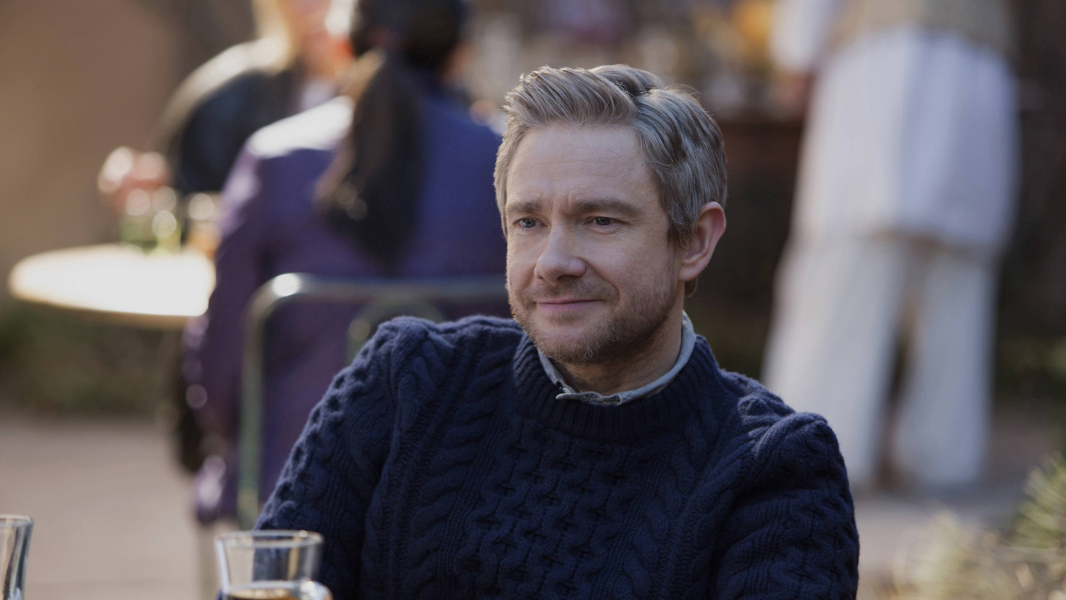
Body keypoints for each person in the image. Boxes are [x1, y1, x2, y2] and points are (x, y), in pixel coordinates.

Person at [254, 64, 860, 598]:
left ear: (695, 241)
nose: (553, 262)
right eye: (529, 222)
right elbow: (267, 583)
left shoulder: (775, 469)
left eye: (600, 220)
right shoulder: (404, 381)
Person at [183, 0, 505, 524]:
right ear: (459, 56)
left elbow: (222, 368)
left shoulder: (274, 158)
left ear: (341, 44)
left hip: (295, 494)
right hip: (472, 493)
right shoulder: (512, 163)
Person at [764, 0, 1018, 491]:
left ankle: (815, 452)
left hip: (884, 67)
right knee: (955, 279)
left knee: (850, 267)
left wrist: (797, 55)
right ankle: (943, 457)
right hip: (978, 68)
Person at [98, 0, 350, 209]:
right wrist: (150, 187)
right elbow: (183, 199)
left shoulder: (373, 95)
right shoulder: (226, 98)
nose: (315, 8)